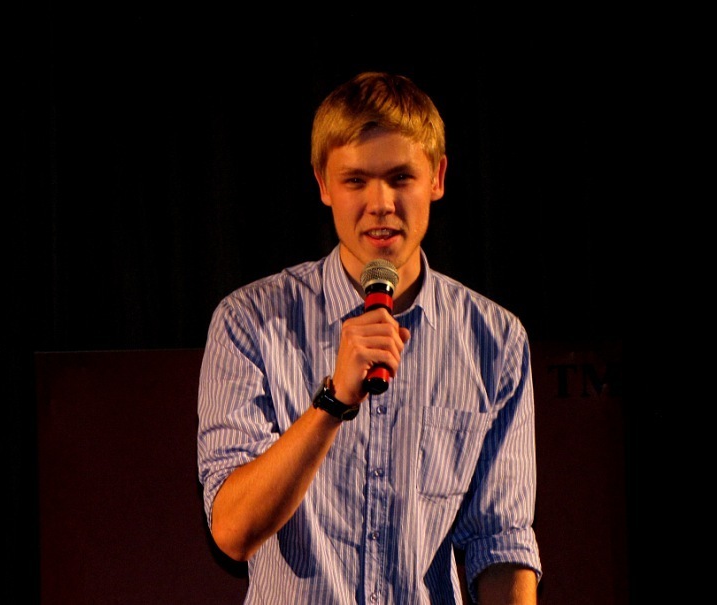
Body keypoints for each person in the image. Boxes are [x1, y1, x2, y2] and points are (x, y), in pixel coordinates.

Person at [196, 71, 542, 604]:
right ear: (323, 185)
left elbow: (500, 542)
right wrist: (333, 402)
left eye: (401, 177)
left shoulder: (495, 340)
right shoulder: (250, 321)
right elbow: (232, 532)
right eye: (356, 180)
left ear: (437, 178)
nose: (380, 203)